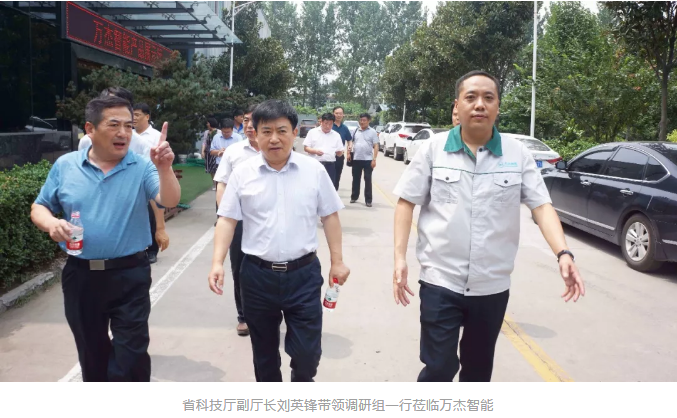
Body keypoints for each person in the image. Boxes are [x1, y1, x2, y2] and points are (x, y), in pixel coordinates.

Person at [392, 70, 585, 382]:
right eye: (471, 97)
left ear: (497, 107)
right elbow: (406, 202)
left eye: (488, 97)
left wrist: (563, 253)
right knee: (438, 367)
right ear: (458, 105)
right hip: (441, 280)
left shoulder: (517, 154)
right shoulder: (434, 149)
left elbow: (541, 206)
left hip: (491, 286)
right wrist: (399, 258)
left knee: (478, 371)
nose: (479, 104)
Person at [31, 95, 181, 382]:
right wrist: (51, 223)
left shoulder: (141, 166)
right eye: (114, 125)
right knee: (92, 355)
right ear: (90, 129)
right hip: (81, 276)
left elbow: (169, 199)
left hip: (130, 275)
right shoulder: (66, 165)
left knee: (131, 357)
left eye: (129, 126)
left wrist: (164, 168)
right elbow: (39, 206)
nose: (123, 133)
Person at [208, 99, 350, 382]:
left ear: (295, 133)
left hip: (303, 275)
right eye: (266, 131)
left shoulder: (314, 171)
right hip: (257, 277)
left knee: (307, 354)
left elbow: (330, 216)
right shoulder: (243, 173)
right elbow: (227, 219)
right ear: (255, 133)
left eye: (281, 131)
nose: (274, 139)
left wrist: (337, 261)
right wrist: (217, 262)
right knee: (264, 354)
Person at [213, 105, 261, 337]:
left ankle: (268, 312)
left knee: (268, 266)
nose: (249, 126)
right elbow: (221, 184)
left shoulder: (275, 150)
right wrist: (225, 215)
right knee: (240, 268)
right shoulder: (233, 152)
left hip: (267, 219)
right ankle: (243, 316)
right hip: (239, 220)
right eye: (246, 121)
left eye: (254, 121)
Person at [134, 102, 169, 264]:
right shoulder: (129, 135)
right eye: (132, 115)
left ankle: (152, 250)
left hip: (150, 177)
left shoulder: (156, 136)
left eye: (137, 115)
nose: (134, 118)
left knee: (152, 214)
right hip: (132, 179)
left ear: (147, 116)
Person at [78, 87, 150, 157]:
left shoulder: (142, 145)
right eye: (114, 125)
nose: (122, 134)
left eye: (122, 106)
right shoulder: (87, 141)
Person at [347, 113, 379, 207]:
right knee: (355, 179)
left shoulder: (372, 132)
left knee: (368, 180)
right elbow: (350, 142)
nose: (362, 122)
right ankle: (354, 196)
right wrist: (348, 152)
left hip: (368, 160)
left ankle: (368, 200)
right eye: (361, 120)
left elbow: (376, 146)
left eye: (364, 120)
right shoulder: (355, 130)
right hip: (356, 158)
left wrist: (374, 159)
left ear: (369, 121)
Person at [303, 113, 344, 186]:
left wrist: (340, 153)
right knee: (314, 185)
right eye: (326, 123)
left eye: (330, 124)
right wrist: (315, 151)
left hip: (330, 165)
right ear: (321, 122)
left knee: (329, 186)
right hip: (315, 164)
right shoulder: (312, 132)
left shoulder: (336, 135)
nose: (328, 126)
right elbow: (306, 148)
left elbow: (340, 152)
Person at [332, 106, 353, 191]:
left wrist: (349, 147)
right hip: (328, 156)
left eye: (340, 113)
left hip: (339, 156)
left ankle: (334, 193)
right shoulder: (329, 126)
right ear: (333, 114)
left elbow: (349, 140)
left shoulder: (344, 128)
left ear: (343, 115)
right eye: (336, 113)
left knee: (337, 176)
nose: (338, 115)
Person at [202, 118, 220, 191]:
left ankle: (218, 183)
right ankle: (214, 184)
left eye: (208, 123)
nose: (207, 124)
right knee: (211, 169)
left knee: (217, 168)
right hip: (208, 152)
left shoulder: (218, 132)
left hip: (216, 152)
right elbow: (204, 142)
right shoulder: (206, 132)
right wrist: (202, 151)